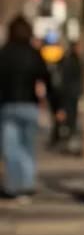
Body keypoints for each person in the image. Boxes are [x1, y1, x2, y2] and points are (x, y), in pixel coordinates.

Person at [0, 15, 52, 201]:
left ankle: (14, 186)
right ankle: (27, 184)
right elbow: (46, 77)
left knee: (11, 148)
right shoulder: (33, 53)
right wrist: (52, 102)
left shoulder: (4, 53)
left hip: (8, 105)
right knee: (27, 146)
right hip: (29, 105)